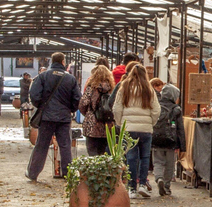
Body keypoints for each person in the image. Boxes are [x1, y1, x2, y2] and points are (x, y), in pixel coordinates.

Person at [25, 52, 81, 181]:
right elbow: (77, 99)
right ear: (63, 62)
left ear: (52, 61)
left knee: (42, 145)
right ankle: (67, 174)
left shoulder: (43, 76)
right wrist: (70, 109)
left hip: (46, 117)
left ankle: (33, 173)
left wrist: (41, 106)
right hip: (64, 118)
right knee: (65, 145)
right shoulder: (70, 78)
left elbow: (34, 95)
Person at [112, 62, 161, 198]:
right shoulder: (149, 89)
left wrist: (120, 123)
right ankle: (143, 185)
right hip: (145, 129)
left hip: (128, 128)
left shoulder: (124, 88)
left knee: (131, 158)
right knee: (145, 157)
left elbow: (116, 108)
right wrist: (151, 122)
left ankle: (132, 188)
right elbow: (156, 110)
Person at [152, 83, 186, 196]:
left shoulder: (156, 106)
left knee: (158, 161)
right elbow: (180, 128)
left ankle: (158, 178)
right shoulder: (176, 109)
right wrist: (182, 146)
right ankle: (166, 185)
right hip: (171, 140)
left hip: (156, 138)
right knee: (169, 164)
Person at [78, 65, 115, 156]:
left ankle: (95, 169)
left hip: (92, 124)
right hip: (107, 124)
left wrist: (88, 113)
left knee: (92, 151)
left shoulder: (91, 88)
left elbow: (83, 104)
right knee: (104, 151)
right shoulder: (111, 89)